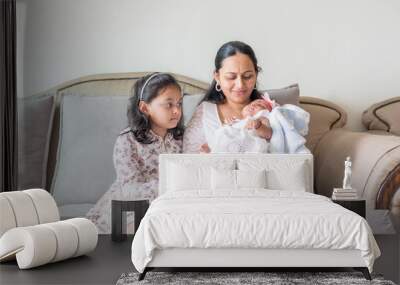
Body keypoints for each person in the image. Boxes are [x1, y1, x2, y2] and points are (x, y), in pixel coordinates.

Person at [86, 73, 184, 234]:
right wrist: (168, 185)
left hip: (168, 205)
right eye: (169, 105)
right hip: (130, 206)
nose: (176, 111)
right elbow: (130, 188)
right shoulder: (128, 140)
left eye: (179, 104)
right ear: (145, 108)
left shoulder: (181, 138)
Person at [183, 41, 309, 154]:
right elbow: (188, 161)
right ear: (217, 77)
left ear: (256, 74)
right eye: (231, 77)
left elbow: (288, 147)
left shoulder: (269, 110)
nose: (240, 85)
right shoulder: (206, 112)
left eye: (247, 76)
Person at [208, 94, 276, 153]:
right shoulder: (239, 121)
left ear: (266, 111)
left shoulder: (262, 118)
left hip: (248, 145)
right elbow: (228, 131)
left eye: (259, 105)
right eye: (250, 104)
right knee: (221, 135)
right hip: (230, 143)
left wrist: (259, 126)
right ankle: (212, 149)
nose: (253, 105)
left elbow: (268, 134)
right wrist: (229, 124)